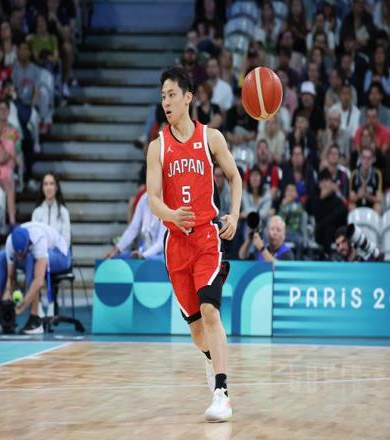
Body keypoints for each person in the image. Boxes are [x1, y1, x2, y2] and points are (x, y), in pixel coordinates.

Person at [146, 66, 242, 422]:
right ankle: (210, 358)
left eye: (172, 94)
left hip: (206, 239)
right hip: (176, 245)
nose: (166, 102)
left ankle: (222, 392)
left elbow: (235, 176)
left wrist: (234, 215)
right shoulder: (157, 147)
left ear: (188, 97)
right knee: (197, 331)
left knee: (210, 311)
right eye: (163, 96)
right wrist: (171, 214)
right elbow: (152, 199)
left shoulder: (210, 138)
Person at [0, 222, 72, 334]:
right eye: (17, 254)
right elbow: (11, 277)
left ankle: (35, 318)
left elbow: (39, 281)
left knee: (31, 258)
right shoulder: (10, 242)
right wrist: (7, 294)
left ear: (28, 244)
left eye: (22, 253)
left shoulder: (38, 240)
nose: (19, 257)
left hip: (61, 256)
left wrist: (22, 306)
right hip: (35, 252)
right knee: (2, 256)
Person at [103, 192, 166, 261]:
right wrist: (116, 250)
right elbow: (133, 227)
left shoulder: (168, 201)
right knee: (115, 258)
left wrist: (144, 255)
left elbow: (162, 242)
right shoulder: (144, 198)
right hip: (145, 252)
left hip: (163, 255)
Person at [32, 173, 71, 247]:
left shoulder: (64, 212)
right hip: (41, 252)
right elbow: (34, 239)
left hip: (59, 252)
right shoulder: (36, 213)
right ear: (42, 188)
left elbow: (66, 242)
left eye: (51, 184)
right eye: (45, 184)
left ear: (56, 187)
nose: (48, 187)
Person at [349, 145, 383, 213]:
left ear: (373, 159)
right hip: (358, 205)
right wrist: (359, 195)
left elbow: (379, 199)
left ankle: (374, 220)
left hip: (371, 206)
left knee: (378, 206)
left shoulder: (377, 174)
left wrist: (366, 195)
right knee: (351, 205)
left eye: (369, 158)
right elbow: (351, 198)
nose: (366, 161)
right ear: (360, 158)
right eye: (364, 157)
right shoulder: (354, 174)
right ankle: (354, 220)